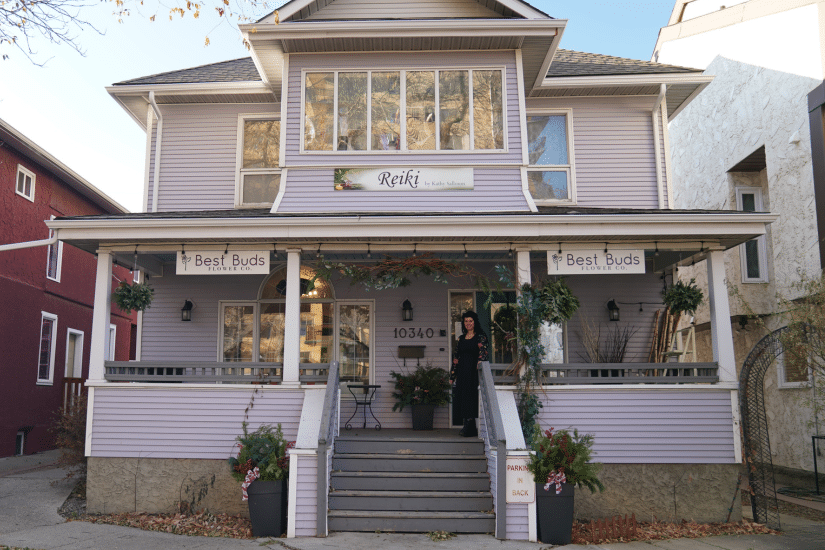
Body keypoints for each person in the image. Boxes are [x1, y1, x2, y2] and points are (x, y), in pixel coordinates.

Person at [451, 310, 489, 437]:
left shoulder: (480, 336)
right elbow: (456, 358)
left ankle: (470, 425)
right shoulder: (461, 339)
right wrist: (452, 375)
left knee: (471, 397)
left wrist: (479, 363)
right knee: (462, 397)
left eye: (470, 321)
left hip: (474, 372)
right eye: (466, 321)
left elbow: (483, 353)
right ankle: (467, 424)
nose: (468, 323)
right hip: (462, 372)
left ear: (475, 322)